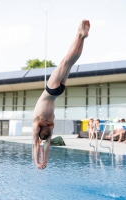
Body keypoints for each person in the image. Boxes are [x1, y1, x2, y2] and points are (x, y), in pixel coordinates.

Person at [32, 20, 90, 170]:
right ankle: (79, 35)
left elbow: (44, 147)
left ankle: (81, 36)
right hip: (50, 91)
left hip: (58, 92)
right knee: (65, 61)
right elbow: (36, 146)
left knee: (70, 62)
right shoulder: (37, 123)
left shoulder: (50, 124)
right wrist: (38, 162)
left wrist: (42, 162)